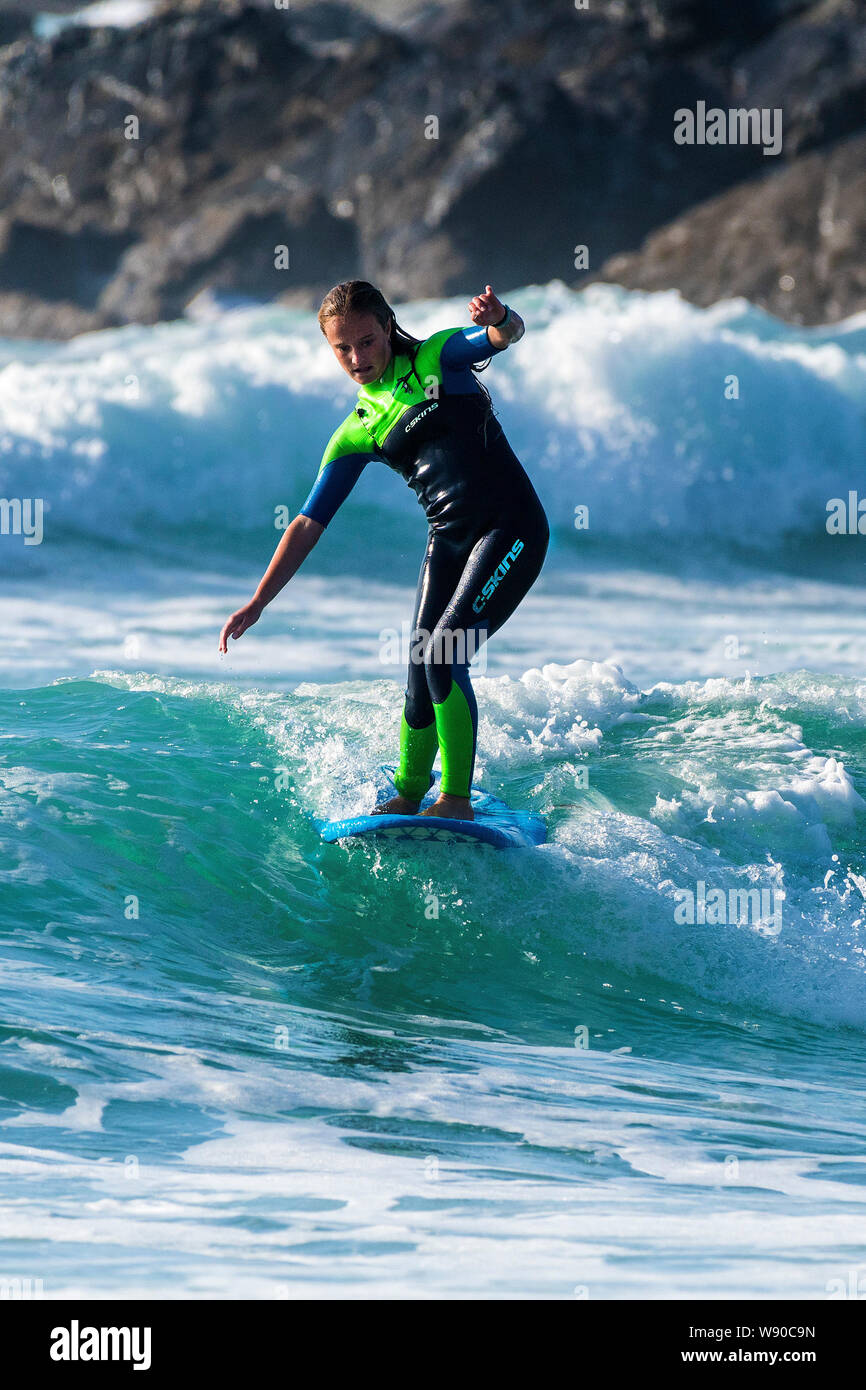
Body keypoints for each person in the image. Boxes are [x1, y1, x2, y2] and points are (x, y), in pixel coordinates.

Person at [219, 280, 549, 821]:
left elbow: (504, 335)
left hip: (511, 530)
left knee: (445, 653)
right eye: (342, 349)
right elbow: (307, 522)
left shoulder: (436, 358)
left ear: (388, 327)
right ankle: (410, 790)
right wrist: (259, 601)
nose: (357, 358)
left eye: (367, 342)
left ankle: (457, 800)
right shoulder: (358, 427)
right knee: (421, 663)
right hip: (449, 540)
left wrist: (502, 315)